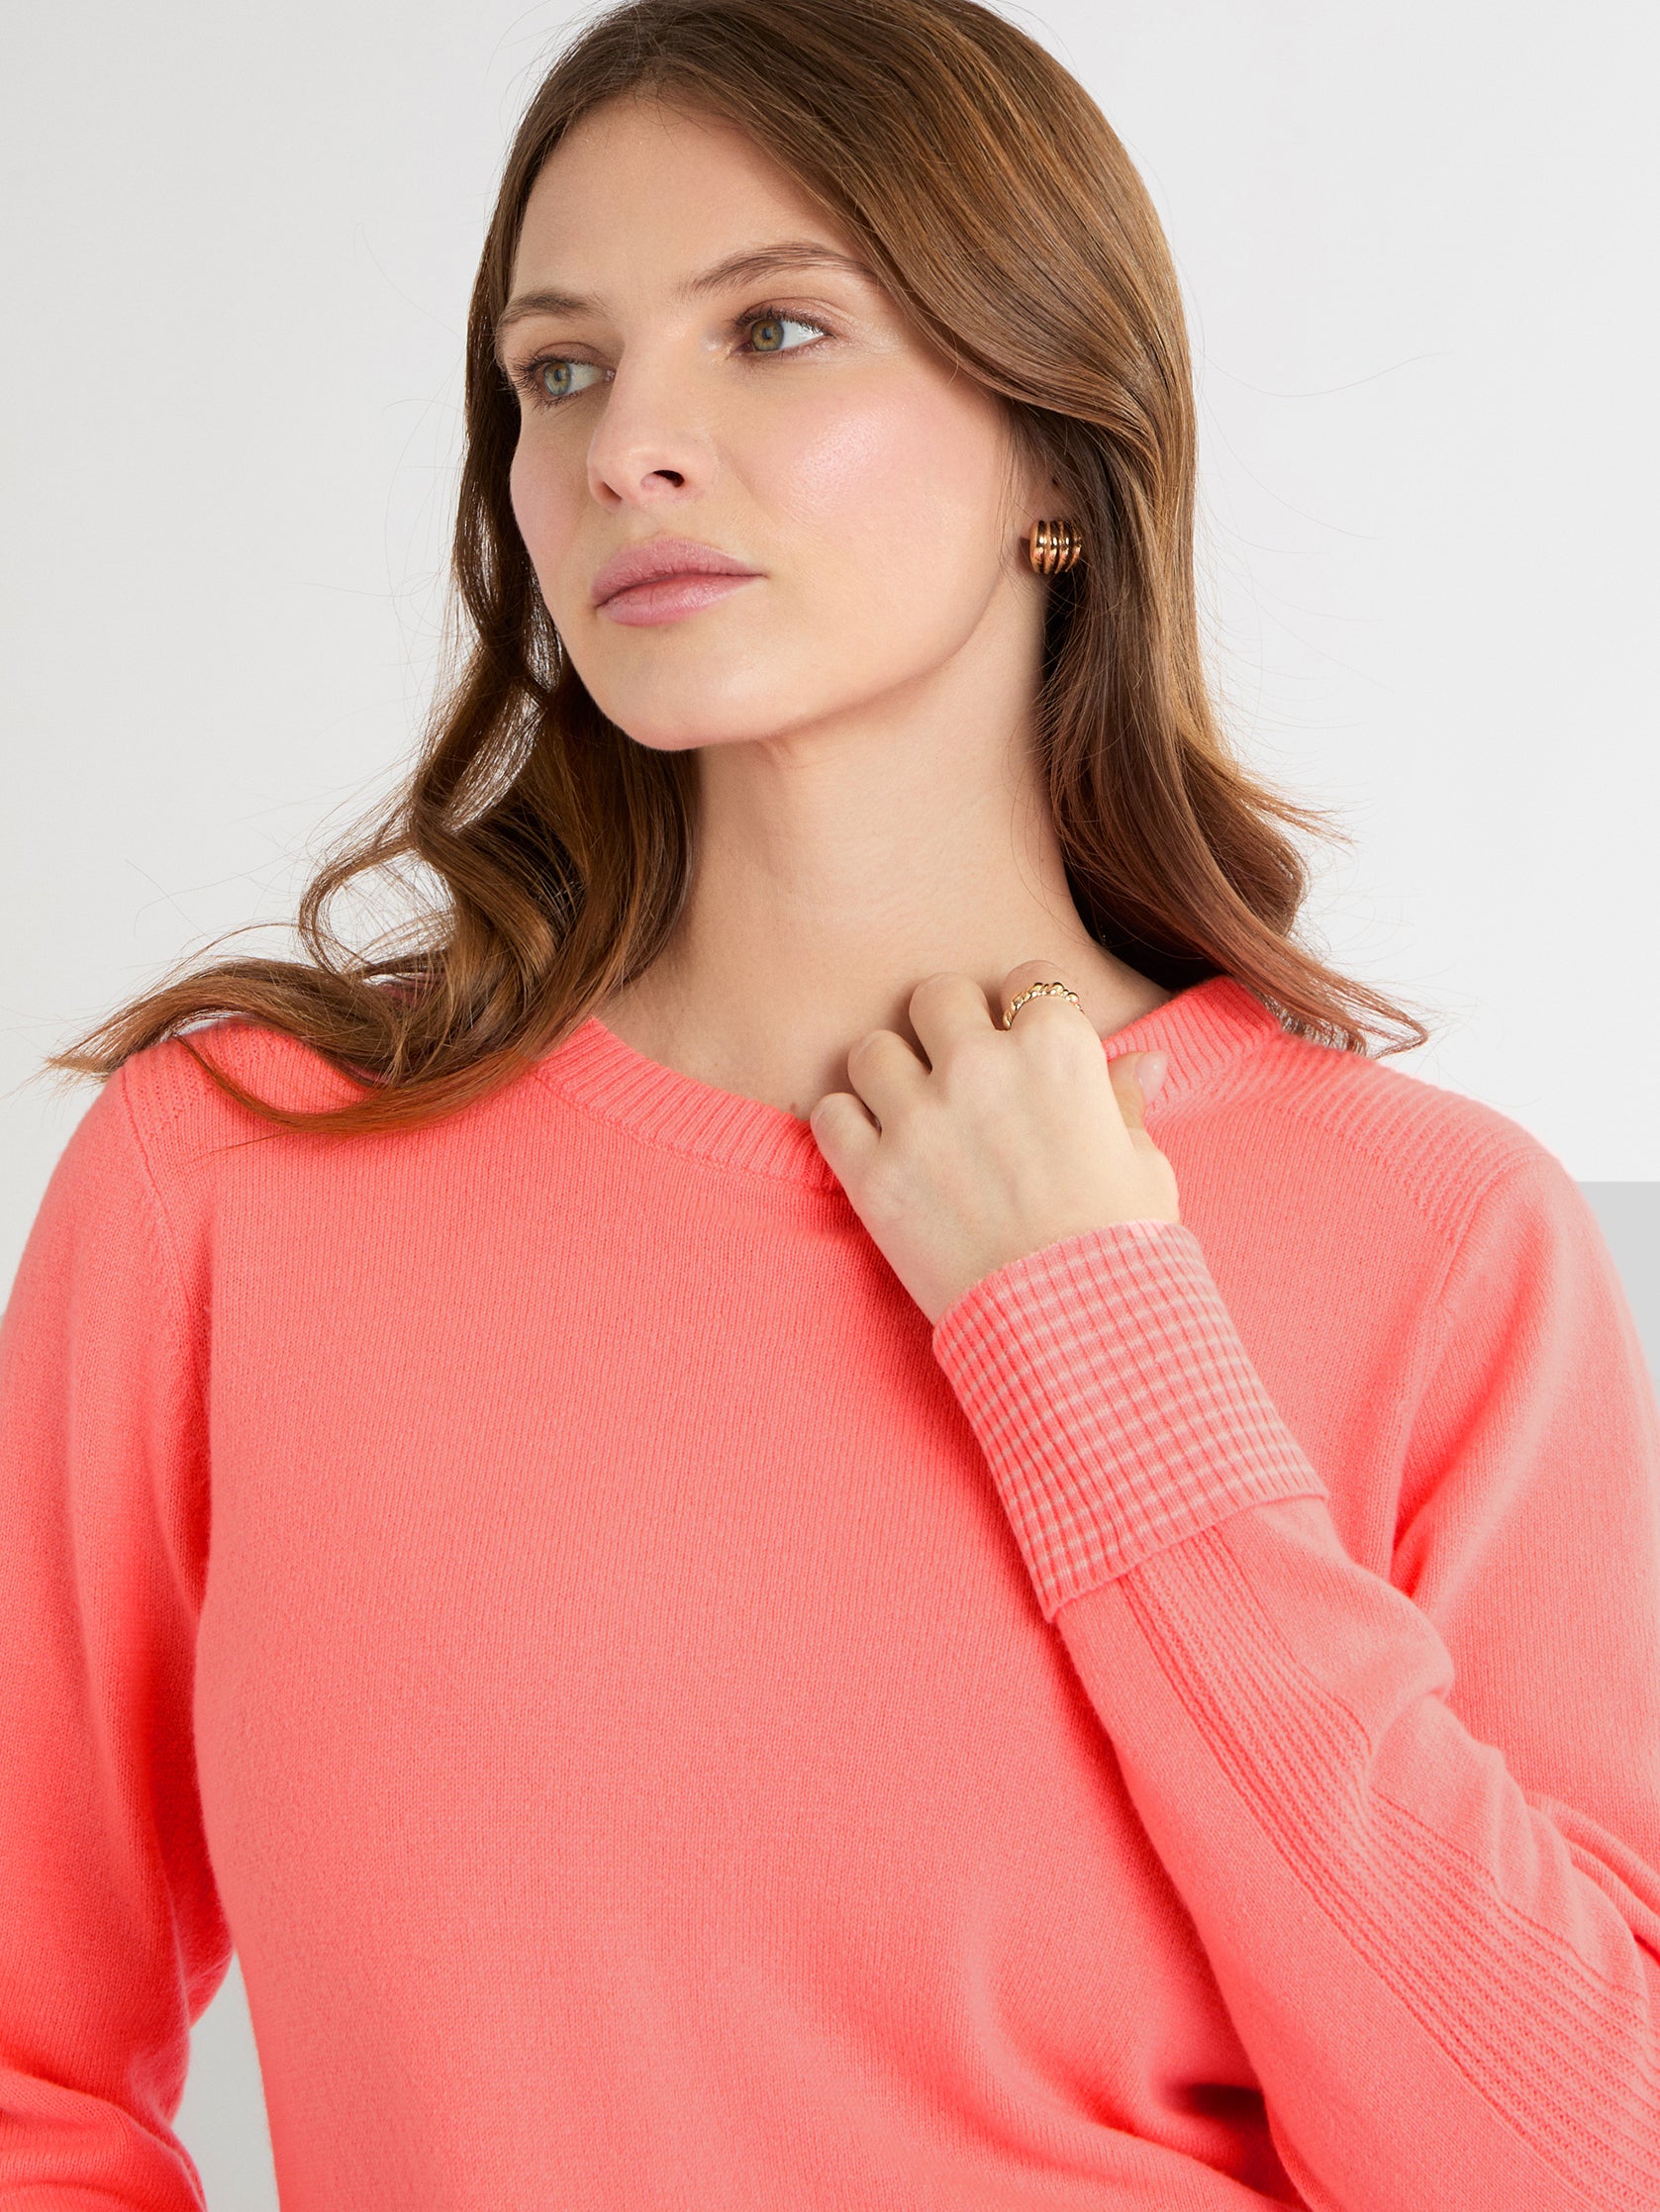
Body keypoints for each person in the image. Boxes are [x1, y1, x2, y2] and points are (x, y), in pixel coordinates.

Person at [4, 1, 1658, 2206]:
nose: (626, 447)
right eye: (557, 369)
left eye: (773, 331)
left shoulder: (1430, 1238)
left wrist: (1103, 1350)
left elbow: (1584, 2160)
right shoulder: (234, 1175)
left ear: (1055, 454)